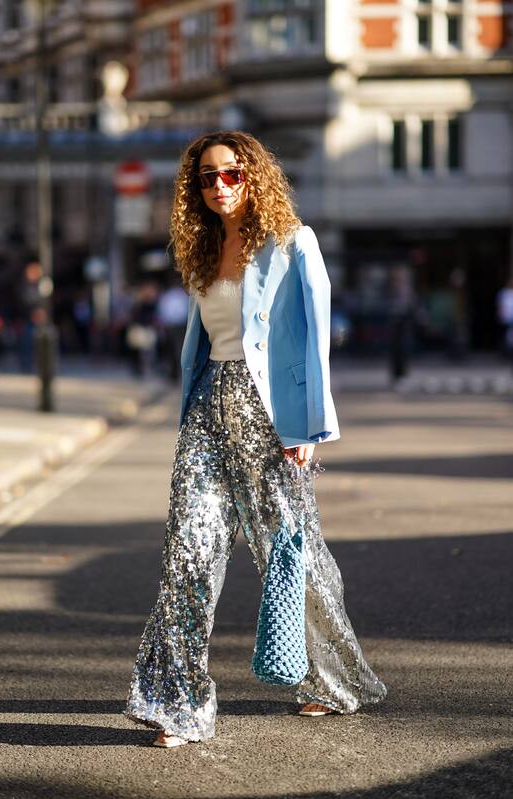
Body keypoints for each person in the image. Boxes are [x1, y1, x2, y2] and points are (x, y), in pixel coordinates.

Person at [123, 130, 387, 748]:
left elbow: (313, 342)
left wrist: (310, 428)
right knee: (186, 555)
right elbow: (203, 343)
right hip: (208, 413)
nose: (220, 186)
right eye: (208, 178)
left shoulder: (295, 244)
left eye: (232, 174)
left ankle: (331, 678)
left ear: (255, 176)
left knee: (291, 557)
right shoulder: (202, 248)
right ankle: (176, 704)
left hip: (272, 421)